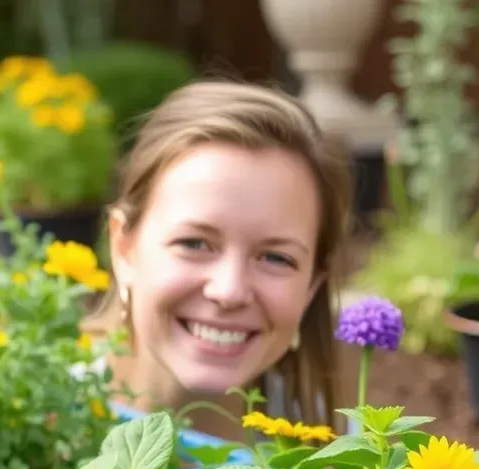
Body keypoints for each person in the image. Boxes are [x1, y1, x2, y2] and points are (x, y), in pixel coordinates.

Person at [92, 79, 355, 442]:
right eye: (195, 243)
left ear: (311, 285)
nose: (229, 290)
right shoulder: (31, 419)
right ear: (124, 249)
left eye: (276, 258)